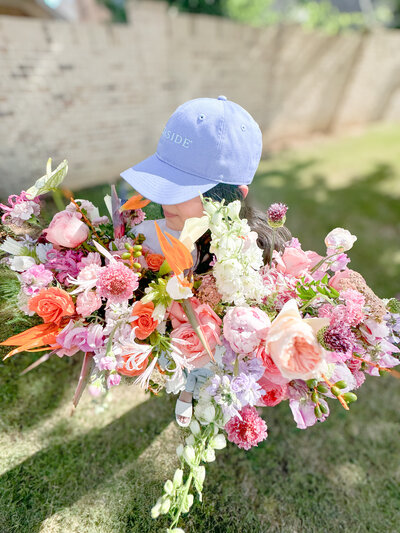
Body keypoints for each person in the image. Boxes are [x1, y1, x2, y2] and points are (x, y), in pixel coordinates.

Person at [120, 95, 291, 426]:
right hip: (178, 346)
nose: (164, 199)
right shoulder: (151, 231)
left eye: (182, 189)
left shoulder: (250, 257)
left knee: (203, 381)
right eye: (164, 180)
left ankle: (193, 392)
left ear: (229, 197)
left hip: (214, 355)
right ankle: (184, 389)